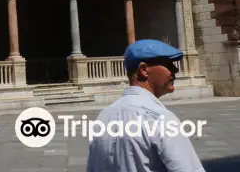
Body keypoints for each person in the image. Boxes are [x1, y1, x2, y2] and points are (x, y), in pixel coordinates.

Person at [86, 39, 204, 172]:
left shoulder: (103, 117)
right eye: (168, 64)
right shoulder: (161, 119)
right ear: (144, 70)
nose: (175, 69)